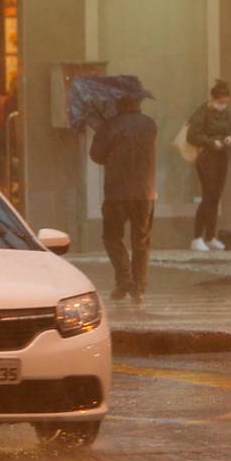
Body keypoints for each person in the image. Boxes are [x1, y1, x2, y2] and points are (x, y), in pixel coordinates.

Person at [89, 77, 157, 303]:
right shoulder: (150, 125)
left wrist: (103, 130)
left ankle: (124, 279)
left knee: (111, 237)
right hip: (144, 192)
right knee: (141, 241)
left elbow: (96, 156)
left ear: (118, 101)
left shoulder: (109, 126)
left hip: (116, 192)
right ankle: (138, 287)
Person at [186, 80, 231, 252]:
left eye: (226, 103)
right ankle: (197, 237)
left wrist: (229, 138)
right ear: (212, 98)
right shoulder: (202, 112)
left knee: (215, 197)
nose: (223, 106)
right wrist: (211, 142)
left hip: (222, 157)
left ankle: (210, 236)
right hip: (207, 158)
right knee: (208, 196)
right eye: (221, 102)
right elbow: (192, 136)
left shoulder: (225, 114)